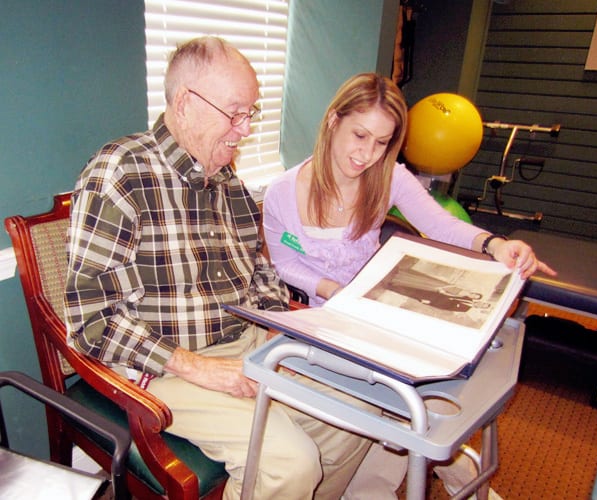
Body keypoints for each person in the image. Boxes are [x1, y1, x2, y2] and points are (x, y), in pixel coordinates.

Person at [64, 36, 370, 500]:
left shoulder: (227, 181)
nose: (245, 129)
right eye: (236, 112)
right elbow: (91, 320)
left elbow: (260, 273)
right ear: (186, 103)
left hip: (244, 343)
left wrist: (274, 330)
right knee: (291, 462)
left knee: (355, 414)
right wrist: (199, 369)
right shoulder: (121, 174)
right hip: (163, 365)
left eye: (251, 113)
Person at [262, 72, 557, 499]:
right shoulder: (283, 192)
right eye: (359, 135)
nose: (367, 154)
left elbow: (439, 224)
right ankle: (457, 477)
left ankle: (397, 484)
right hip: (323, 319)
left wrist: (494, 244)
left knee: (424, 400)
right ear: (332, 122)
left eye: (382, 142)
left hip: (380, 311)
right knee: (408, 408)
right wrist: (332, 289)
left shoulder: (388, 176)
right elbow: (285, 265)